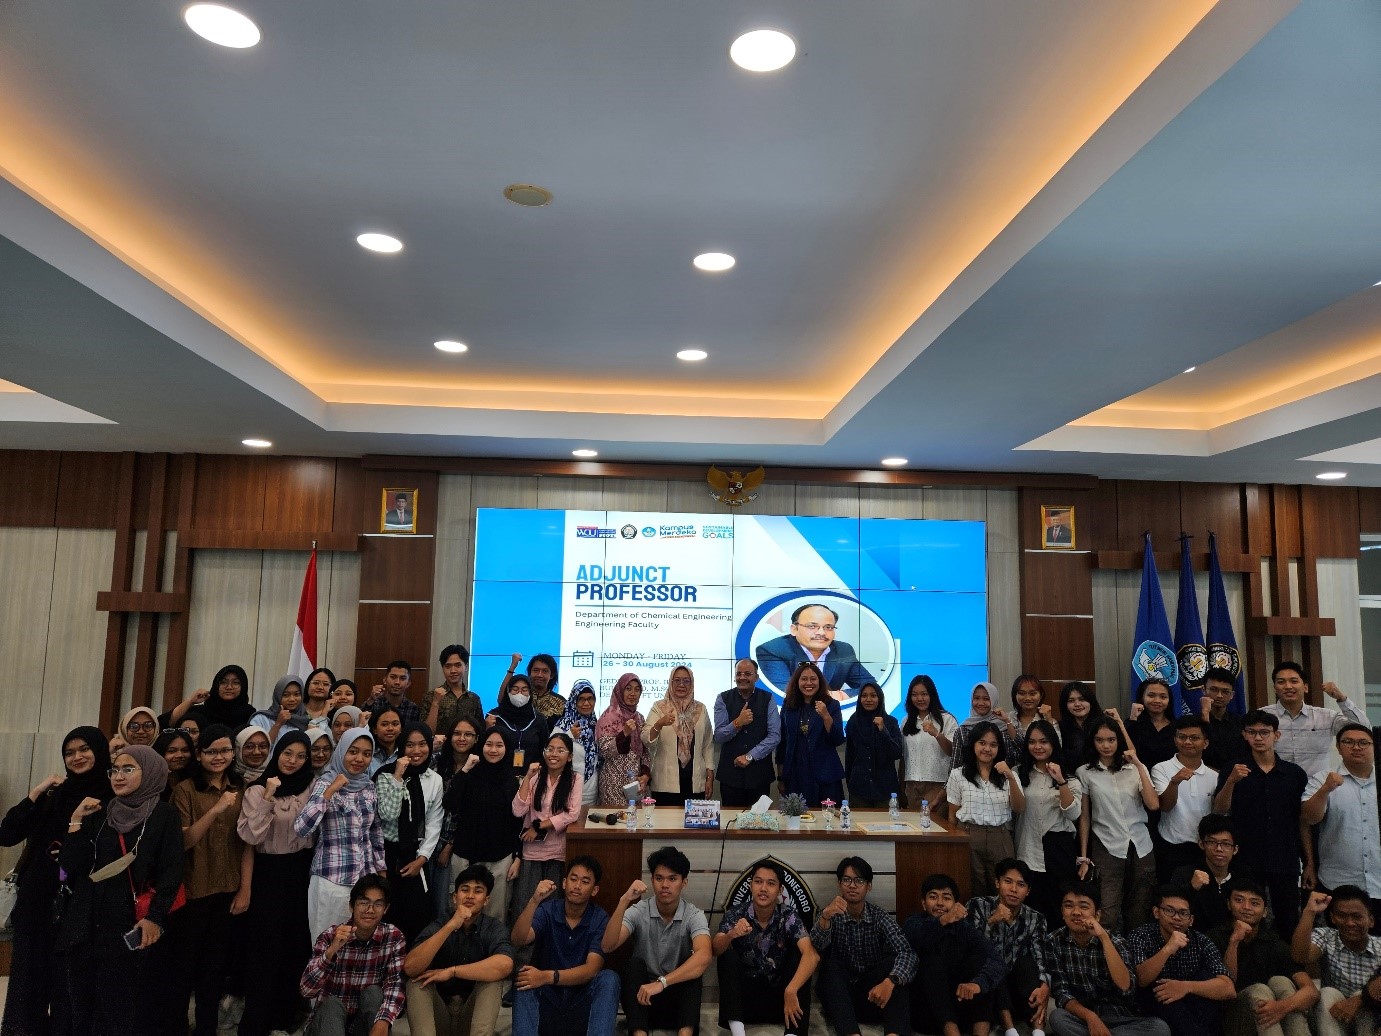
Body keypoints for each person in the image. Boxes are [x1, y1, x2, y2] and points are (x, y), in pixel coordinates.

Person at [58, 744, 184, 1036]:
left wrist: (154, 918)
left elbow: (171, 872)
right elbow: (69, 866)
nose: (118, 776)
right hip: (85, 924)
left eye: (128, 769)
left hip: (129, 924)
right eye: (114, 769)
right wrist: (76, 820)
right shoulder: (101, 812)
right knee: (82, 1007)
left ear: (149, 772)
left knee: (121, 1008)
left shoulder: (164, 815)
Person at [0, 725, 111, 1036]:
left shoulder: (110, 795)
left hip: (80, 901)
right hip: (38, 899)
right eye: (69, 753)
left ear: (99, 751)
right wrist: (38, 790)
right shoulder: (54, 795)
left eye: (84, 749)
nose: (77, 757)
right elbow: (6, 834)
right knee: (29, 979)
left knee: (69, 983)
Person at [167, 724, 248, 1036]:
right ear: (199, 755)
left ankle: (206, 1029)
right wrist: (216, 809)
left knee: (214, 969)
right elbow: (184, 841)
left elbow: (248, 843)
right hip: (194, 891)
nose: (219, 757)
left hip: (228, 889)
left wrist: (245, 889)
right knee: (184, 968)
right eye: (211, 751)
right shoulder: (185, 790)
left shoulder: (240, 787)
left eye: (225, 750)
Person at [237, 730, 317, 1036]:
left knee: (295, 945)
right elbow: (250, 836)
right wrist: (269, 796)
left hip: (301, 870)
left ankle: (285, 1018)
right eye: (287, 753)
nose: (293, 761)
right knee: (264, 949)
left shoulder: (311, 786)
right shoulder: (257, 789)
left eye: (301, 756)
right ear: (277, 753)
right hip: (268, 872)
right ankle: (256, 1022)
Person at [1212, 709, 1309, 937]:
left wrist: (1309, 863)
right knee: (1243, 916)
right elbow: (1220, 809)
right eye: (1252, 732)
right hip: (1246, 857)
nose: (1258, 737)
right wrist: (1231, 781)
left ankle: (1287, 959)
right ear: (1244, 735)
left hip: (1285, 856)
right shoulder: (1233, 769)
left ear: (1276, 735)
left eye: (1264, 732)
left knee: (1288, 918)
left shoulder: (1294, 773)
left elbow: (1303, 820)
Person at [602, 846, 712, 1036]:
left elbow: (705, 956)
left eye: (672, 879)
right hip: (643, 1001)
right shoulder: (639, 910)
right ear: (652, 880)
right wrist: (624, 900)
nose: (665, 885)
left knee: (693, 965)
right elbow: (607, 945)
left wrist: (662, 982)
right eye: (659, 878)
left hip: (676, 1003)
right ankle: (639, 1034)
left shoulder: (694, 914)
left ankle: (685, 1034)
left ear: (684, 882)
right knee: (633, 965)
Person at [509, 857, 619, 1036]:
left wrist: (547, 976)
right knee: (524, 976)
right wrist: (534, 901)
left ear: (594, 890)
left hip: (581, 1003)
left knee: (609, 978)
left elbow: (591, 970)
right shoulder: (548, 910)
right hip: (548, 1000)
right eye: (573, 879)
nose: (577, 886)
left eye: (585, 882)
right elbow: (518, 939)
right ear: (564, 883)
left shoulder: (600, 918)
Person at [295, 728, 387, 938]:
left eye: (366, 754)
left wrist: (381, 872)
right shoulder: (325, 783)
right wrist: (330, 791)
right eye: (353, 752)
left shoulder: (368, 786)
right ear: (341, 751)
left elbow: (375, 831)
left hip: (365, 881)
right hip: (332, 879)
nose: (359, 759)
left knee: (359, 943)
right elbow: (302, 828)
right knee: (328, 942)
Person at [1044, 882, 1168, 1036]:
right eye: (1069, 906)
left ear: (1097, 915)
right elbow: (1061, 992)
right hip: (1083, 1016)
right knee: (1057, 1018)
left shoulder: (1116, 941)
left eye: (1084, 907)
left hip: (1120, 1018)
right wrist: (1091, 1017)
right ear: (1062, 912)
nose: (1076, 912)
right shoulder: (1053, 941)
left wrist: (1104, 938)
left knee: (1159, 1028)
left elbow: (1126, 987)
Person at [403, 865, 515, 1036]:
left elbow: (505, 965)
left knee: (493, 980)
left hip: (470, 1017)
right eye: (465, 890)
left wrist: (453, 971)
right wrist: (451, 926)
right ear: (455, 897)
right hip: (439, 1016)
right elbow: (410, 967)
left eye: (478, 891)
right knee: (416, 982)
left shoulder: (493, 928)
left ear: (486, 900)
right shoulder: (439, 924)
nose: (470, 896)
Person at [811, 856, 916, 1036]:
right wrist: (825, 917)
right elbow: (815, 947)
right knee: (831, 965)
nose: (852, 885)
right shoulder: (829, 914)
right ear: (839, 884)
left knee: (895, 968)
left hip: (873, 996)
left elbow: (907, 952)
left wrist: (890, 982)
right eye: (847, 880)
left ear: (869, 886)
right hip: (839, 999)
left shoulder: (879, 916)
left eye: (859, 881)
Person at [712, 858, 817, 1036]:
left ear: (780, 890)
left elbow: (812, 955)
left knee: (799, 957)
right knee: (727, 956)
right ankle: (738, 1032)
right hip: (744, 1004)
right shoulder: (736, 913)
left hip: (782, 1002)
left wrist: (791, 989)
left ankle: (792, 1033)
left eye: (770, 883)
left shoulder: (788, 915)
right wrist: (731, 934)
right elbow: (715, 950)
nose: (763, 888)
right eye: (758, 881)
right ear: (750, 885)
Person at [1076, 717, 1158, 933]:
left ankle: (1135, 951)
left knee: (1140, 908)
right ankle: (1107, 950)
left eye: (1111, 740)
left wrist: (1138, 765)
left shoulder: (1135, 769)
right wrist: (1083, 856)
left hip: (1141, 844)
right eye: (1100, 740)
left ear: (1119, 740)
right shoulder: (1085, 772)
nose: (1106, 745)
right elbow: (1084, 816)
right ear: (1092, 741)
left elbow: (1153, 804)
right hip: (1106, 844)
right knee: (1108, 910)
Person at [1207, 878, 1317, 1036]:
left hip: (1268, 1016)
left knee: (1281, 982)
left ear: (1265, 911)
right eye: (1239, 900)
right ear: (1229, 904)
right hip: (1228, 1019)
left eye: (1254, 903)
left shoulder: (1274, 943)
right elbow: (1226, 988)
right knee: (1260, 990)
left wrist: (1282, 1007)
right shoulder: (1213, 938)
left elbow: (1311, 991)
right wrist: (1234, 942)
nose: (1246, 907)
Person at [300, 874, 406, 1036]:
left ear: (386, 909)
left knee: (374, 994)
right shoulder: (330, 936)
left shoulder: (394, 937)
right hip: (326, 1026)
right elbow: (306, 990)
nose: (370, 910)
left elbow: (395, 984)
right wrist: (331, 952)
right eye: (363, 903)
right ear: (351, 906)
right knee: (332, 1005)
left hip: (361, 1027)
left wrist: (384, 1021)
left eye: (378, 904)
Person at [904, 872, 1007, 1036]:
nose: (939, 903)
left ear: (955, 904)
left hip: (960, 1007)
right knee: (930, 961)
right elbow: (919, 937)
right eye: (933, 897)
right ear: (923, 903)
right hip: (927, 1011)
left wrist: (977, 985)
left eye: (946, 898)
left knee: (980, 963)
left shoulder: (964, 928)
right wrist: (944, 920)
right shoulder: (913, 923)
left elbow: (996, 961)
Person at [1126, 885, 1235, 1036]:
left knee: (1207, 982)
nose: (1176, 917)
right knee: (1161, 993)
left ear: (1191, 920)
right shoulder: (1140, 936)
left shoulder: (1201, 941)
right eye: (1169, 911)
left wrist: (1185, 987)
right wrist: (1167, 949)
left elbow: (1228, 989)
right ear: (1156, 912)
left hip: (1192, 1005)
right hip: (1153, 1005)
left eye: (1183, 913)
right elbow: (1142, 979)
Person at [966, 858, 1054, 1036]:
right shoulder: (977, 906)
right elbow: (970, 950)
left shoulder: (1036, 918)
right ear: (997, 883)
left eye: (1021, 885)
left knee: (1026, 964)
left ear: (1028, 891)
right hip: (985, 989)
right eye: (1008, 881)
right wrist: (991, 921)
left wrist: (1045, 986)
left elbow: (1041, 956)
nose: (1014, 889)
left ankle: (1038, 1032)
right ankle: (1010, 1030)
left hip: (1018, 990)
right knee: (994, 965)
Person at [375, 722, 445, 942]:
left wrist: (422, 859)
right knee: (387, 914)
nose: (417, 751)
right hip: (386, 855)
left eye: (422, 744)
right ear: (401, 747)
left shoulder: (434, 779)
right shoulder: (385, 774)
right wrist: (398, 775)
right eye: (410, 745)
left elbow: (434, 822)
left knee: (418, 915)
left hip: (415, 854)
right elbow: (387, 815)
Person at [1302, 724, 1381, 916]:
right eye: (1348, 742)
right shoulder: (1322, 779)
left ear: (1374, 747)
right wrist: (1325, 790)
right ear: (1338, 747)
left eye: (1363, 743)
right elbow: (1309, 818)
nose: (1356, 747)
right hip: (1338, 882)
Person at [511, 734, 583, 942]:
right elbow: (517, 810)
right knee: (525, 905)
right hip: (532, 852)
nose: (554, 754)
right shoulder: (536, 777)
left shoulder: (575, 779)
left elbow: (572, 814)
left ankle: (548, 953)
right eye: (550, 749)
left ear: (569, 756)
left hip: (557, 852)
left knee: (553, 908)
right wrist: (527, 777)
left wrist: (538, 826)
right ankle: (522, 954)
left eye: (560, 750)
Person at [444, 729, 521, 922]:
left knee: (495, 916)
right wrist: (464, 771)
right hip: (465, 855)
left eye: (499, 745)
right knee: (461, 915)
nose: (493, 750)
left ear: (507, 748)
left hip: (499, 858)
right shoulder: (469, 774)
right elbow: (450, 803)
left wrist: (517, 856)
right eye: (489, 744)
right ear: (481, 745)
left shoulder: (511, 781)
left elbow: (517, 822)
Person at [947, 719, 1025, 896]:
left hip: (1000, 837)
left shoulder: (1009, 775)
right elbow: (952, 816)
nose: (987, 749)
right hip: (968, 835)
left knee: (1003, 890)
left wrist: (1010, 777)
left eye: (993, 745)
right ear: (973, 745)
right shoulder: (958, 774)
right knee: (971, 888)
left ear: (999, 748)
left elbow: (1019, 808)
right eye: (982, 743)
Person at [1291, 887, 1381, 1036]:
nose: (1350, 923)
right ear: (1332, 918)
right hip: (1333, 1015)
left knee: (1368, 996)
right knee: (1327, 993)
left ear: (1371, 921)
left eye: (1357, 917)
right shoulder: (1326, 936)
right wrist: (1309, 912)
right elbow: (1300, 956)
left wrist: (1360, 999)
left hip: (1370, 1017)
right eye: (1342, 916)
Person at [1016, 720, 1082, 920]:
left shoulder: (1070, 778)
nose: (1037, 747)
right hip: (1027, 848)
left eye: (1043, 742)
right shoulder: (1018, 773)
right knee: (1030, 909)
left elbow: (1073, 814)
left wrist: (1061, 781)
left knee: (1057, 908)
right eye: (1032, 742)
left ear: (1053, 743)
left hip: (1058, 850)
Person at [1264, 662, 1368, 777]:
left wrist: (1342, 699)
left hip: (1318, 786)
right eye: (1281, 682)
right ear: (1275, 688)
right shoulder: (1263, 716)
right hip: (1274, 785)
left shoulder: (1326, 717)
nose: (1288, 686)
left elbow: (1363, 728)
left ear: (1305, 687)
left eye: (1294, 681)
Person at [755, 602, 878, 698]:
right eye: (812, 626)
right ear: (794, 629)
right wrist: (831, 697)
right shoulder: (772, 650)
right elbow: (785, 693)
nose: (821, 632)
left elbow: (872, 687)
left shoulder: (844, 650)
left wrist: (842, 695)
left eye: (828, 627)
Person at [1150, 715, 1218, 881]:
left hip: (1203, 846)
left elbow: (1219, 812)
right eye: (1182, 737)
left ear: (1205, 743)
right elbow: (1165, 806)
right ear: (1175, 740)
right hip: (1171, 845)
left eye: (1194, 738)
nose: (1187, 742)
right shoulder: (1161, 769)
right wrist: (1175, 782)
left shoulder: (1214, 776)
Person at [712, 658, 781, 808]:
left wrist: (750, 756)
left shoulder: (768, 699)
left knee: (760, 820)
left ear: (757, 677)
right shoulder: (723, 698)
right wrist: (737, 723)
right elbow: (719, 736)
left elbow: (775, 736)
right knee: (731, 820)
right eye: (739, 674)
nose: (742, 677)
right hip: (730, 776)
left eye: (747, 674)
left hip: (760, 776)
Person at [776, 661, 846, 806]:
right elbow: (782, 743)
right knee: (796, 817)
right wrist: (781, 777)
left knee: (828, 817)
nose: (809, 683)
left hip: (825, 775)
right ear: (797, 682)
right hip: (795, 774)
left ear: (820, 682)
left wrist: (826, 716)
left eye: (813, 679)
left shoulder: (831, 705)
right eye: (804, 679)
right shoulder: (788, 705)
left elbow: (837, 739)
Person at [643, 666, 714, 807]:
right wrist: (659, 723)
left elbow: (708, 745)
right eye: (677, 680)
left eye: (686, 681)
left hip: (695, 782)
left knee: (695, 821)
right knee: (665, 821)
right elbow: (646, 739)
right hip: (665, 782)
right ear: (670, 682)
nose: (681, 684)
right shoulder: (659, 707)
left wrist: (710, 777)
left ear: (692, 683)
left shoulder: (701, 708)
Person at [432, 717, 481, 918]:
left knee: (446, 900)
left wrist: (449, 844)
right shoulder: (436, 761)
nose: (462, 738)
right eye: (457, 733)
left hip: (458, 843)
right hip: (429, 836)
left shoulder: (479, 767)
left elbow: (470, 812)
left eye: (468, 734)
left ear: (476, 738)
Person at [1169, 815, 1247, 933]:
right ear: (1201, 844)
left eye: (1226, 844)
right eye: (1212, 842)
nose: (1219, 849)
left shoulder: (1244, 878)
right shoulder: (1184, 874)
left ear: (1235, 849)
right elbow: (1170, 912)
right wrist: (1191, 888)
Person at [901, 673, 957, 816]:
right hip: (912, 785)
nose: (919, 699)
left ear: (932, 695)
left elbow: (953, 751)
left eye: (924, 694)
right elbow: (904, 757)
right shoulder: (906, 721)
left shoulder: (947, 719)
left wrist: (937, 734)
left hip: (938, 785)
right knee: (914, 826)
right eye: (914, 695)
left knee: (937, 827)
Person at [844, 682, 904, 808]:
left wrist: (883, 731)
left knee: (887, 821)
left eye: (873, 695)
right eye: (864, 696)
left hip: (885, 790)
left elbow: (896, 753)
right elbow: (849, 756)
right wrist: (850, 783)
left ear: (880, 698)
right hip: (859, 790)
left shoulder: (890, 722)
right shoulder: (853, 722)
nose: (868, 699)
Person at [595, 672, 651, 806]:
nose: (632, 693)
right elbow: (604, 752)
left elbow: (645, 751)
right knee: (616, 819)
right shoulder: (608, 717)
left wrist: (645, 775)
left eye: (637, 689)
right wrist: (624, 733)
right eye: (628, 688)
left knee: (636, 818)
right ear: (620, 690)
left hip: (635, 783)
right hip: (612, 784)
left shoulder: (639, 718)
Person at [489, 674, 550, 776]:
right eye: (515, 689)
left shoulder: (539, 719)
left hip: (531, 776)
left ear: (530, 693)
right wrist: (487, 727)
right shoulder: (494, 717)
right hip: (498, 776)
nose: (519, 694)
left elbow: (544, 748)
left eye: (524, 690)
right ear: (508, 691)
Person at [552, 680, 601, 807]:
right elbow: (549, 754)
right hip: (567, 790)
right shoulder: (562, 726)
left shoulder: (597, 725)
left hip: (592, 792)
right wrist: (569, 736)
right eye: (581, 699)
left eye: (590, 699)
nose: (586, 703)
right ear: (574, 701)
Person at [169, 663, 257, 733]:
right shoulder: (200, 712)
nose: (229, 687)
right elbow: (170, 723)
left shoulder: (249, 713)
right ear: (216, 685)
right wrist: (190, 701)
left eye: (236, 682)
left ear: (243, 687)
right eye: (223, 682)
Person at [952, 682, 1021, 768]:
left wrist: (1007, 721)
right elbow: (955, 764)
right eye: (976, 698)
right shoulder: (962, 731)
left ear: (993, 700)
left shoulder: (1005, 729)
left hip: (1002, 776)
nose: (981, 703)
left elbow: (1019, 755)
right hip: (969, 776)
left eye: (986, 699)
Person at [428, 644, 484, 737]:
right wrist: (435, 703)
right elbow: (425, 733)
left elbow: (479, 732)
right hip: (440, 746)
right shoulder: (431, 696)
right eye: (448, 666)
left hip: (466, 746)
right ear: (442, 668)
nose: (453, 670)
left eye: (458, 665)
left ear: (466, 667)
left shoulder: (474, 699)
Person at [1201, 667, 1246, 772]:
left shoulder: (1242, 723)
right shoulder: (1193, 722)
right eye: (1214, 689)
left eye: (1225, 691)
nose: (1219, 695)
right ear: (1203, 690)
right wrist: (1205, 716)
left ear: (1232, 695)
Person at [1127, 679, 1177, 771]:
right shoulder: (1131, 723)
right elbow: (1127, 752)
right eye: (1151, 695)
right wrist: (1133, 719)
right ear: (1142, 697)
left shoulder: (1177, 727)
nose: (1157, 700)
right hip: (1138, 775)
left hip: (1170, 777)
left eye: (1163, 697)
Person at [1057, 682, 1104, 774]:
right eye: (1071, 701)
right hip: (1071, 778)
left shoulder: (1103, 724)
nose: (1077, 704)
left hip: (1101, 776)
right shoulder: (1060, 727)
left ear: (1091, 701)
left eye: (1082, 699)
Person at [249, 674, 308, 742]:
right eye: (286, 695)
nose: (292, 699)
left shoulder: (305, 721)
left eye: (296, 694)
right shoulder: (261, 719)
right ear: (278, 696)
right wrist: (278, 723)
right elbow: (256, 747)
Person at [365, 660, 422, 726]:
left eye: (402, 678)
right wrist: (371, 699)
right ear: (385, 680)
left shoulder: (413, 709)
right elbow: (362, 724)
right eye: (393, 677)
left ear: (408, 683)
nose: (397, 682)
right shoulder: (374, 703)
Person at [153, 726, 197, 792]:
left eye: (185, 750)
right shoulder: (151, 782)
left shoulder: (198, 780)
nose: (180, 755)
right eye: (172, 751)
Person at [367, 705, 403, 777]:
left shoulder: (405, 753)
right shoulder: (368, 754)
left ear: (401, 729)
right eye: (384, 724)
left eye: (395, 724)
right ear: (374, 729)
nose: (390, 728)